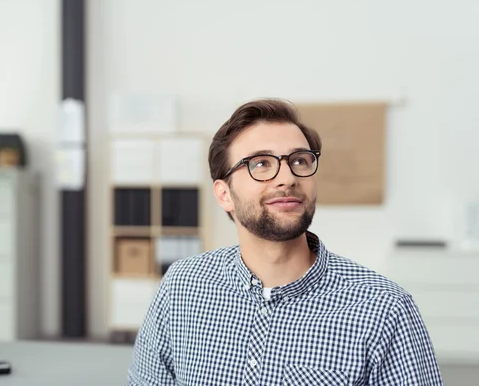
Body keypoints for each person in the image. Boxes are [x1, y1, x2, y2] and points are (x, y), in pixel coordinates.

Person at [127, 98, 443, 385]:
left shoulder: (384, 308)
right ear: (224, 195)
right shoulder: (183, 285)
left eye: (300, 161)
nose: (288, 177)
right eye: (261, 163)